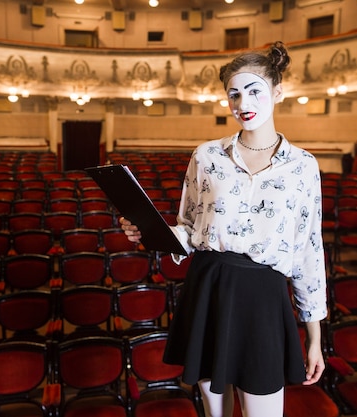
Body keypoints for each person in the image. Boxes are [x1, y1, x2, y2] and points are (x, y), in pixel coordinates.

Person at [120, 41, 327, 417]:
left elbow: (309, 250)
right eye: (233, 94)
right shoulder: (206, 156)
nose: (242, 103)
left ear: (278, 92)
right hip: (208, 289)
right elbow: (189, 227)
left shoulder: (303, 166)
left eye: (253, 91)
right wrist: (149, 232)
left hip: (263, 296)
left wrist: (314, 337)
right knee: (215, 414)